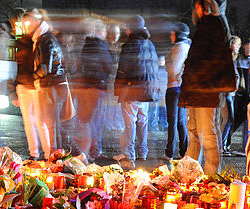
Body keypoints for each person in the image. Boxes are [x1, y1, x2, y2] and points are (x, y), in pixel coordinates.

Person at [179, 0, 237, 175]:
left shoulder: (215, 25)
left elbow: (215, 60)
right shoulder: (206, 27)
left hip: (206, 89)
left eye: (197, 4)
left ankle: (212, 176)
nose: (194, 9)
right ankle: (189, 173)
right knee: (194, 133)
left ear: (204, 6)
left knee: (208, 135)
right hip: (197, 89)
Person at [113, 15, 160, 169]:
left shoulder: (129, 46)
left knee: (130, 124)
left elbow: (123, 70)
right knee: (142, 122)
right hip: (147, 91)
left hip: (131, 90)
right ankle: (143, 152)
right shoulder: (150, 45)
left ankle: (129, 155)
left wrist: (119, 90)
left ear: (130, 29)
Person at [22, 9, 68, 158]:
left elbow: (44, 68)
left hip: (49, 86)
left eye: (28, 22)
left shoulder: (44, 40)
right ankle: (55, 156)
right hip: (53, 85)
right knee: (48, 123)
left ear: (36, 22)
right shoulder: (44, 38)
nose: (26, 26)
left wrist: (30, 78)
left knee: (49, 123)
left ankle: (55, 157)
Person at [76, 18, 114, 162]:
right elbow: (108, 65)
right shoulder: (100, 46)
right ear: (99, 31)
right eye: (104, 30)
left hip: (86, 85)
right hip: (97, 86)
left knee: (88, 120)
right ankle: (89, 152)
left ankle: (91, 150)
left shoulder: (86, 45)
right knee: (93, 121)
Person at [9, 8, 42, 160]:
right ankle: (34, 153)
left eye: (15, 24)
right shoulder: (21, 41)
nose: (14, 27)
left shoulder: (32, 40)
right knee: (30, 122)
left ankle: (46, 153)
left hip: (33, 85)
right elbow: (19, 66)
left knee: (39, 122)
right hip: (24, 84)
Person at [165, 22, 191, 161]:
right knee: (181, 122)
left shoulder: (178, 48)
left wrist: (166, 60)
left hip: (174, 87)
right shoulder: (187, 47)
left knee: (173, 121)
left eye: (172, 33)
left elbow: (173, 70)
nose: (170, 35)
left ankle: (169, 152)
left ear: (178, 34)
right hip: (182, 88)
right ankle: (183, 152)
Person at [220, 35, 241, 155]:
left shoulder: (231, 59)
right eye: (236, 44)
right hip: (226, 93)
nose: (238, 47)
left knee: (225, 120)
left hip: (228, 93)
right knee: (228, 119)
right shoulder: (227, 59)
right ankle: (221, 146)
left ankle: (221, 145)